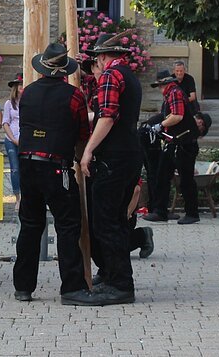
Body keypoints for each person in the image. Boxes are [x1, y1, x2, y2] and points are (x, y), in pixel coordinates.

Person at [13, 43, 91, 304]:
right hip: (56, 165)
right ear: (64, 71)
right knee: (68, 226)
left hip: (27, 162)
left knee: (30, 225)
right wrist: (81, 159)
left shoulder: (28, 93)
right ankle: (71, 287)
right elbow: (82, 135)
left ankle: (23, 287)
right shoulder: (74, 96)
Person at [79, 33, 144, 306]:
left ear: (103, 57)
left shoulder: (109, 77)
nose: (97, 63)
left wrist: (88, 150)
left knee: (105, 221)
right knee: (116, 219)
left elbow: (107, 117)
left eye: (97, 58)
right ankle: (110, 273)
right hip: (130, 153)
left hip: (114, 157)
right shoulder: (129, 76)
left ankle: (120, 284)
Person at [144, 69, 199, 225]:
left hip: (184, 143)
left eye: (160, 86)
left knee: (186, 179)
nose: (160, 90)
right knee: (162, 176)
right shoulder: (172, 94)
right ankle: (160, 211)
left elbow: (177, 116)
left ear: (165, 84)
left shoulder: (174, 93)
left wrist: (159, 126)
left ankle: (192, 213)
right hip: (175, 142)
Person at [1, 73, 22, 200]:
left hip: (25, 139)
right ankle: (18, 197)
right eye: (20, 85)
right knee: (14, 168)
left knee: (26, 168)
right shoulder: (9, 103)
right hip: (11, 139)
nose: (21, 87)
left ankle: (27, 196)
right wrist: (13, 139)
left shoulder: (29, 102)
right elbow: (5, 122)